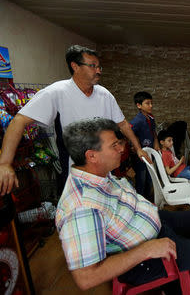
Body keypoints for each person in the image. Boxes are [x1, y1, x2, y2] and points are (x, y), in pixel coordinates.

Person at [56, 118, 190, 293]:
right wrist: (145, 250)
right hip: (141, 259)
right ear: (92, 156)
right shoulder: (80, 207)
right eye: (115, 145)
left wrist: (146, 209)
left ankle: (179, 265)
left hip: (148, 224)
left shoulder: (98, 173)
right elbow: (86, 278)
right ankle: (176, 288)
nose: (122, 149)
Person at [0, 45, 150, 196]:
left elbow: (122, 123)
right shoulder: (57, 92)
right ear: (75, 66)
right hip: (75, 173)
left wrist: (138, 149)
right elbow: (18, 121)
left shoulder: (104, 94)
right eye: (92, 66)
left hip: (104, 170)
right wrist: (5, 163)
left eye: (99, 67)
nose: (98, 71)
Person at [158, 130, 190, 217]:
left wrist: (181, 162)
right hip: (179, 172)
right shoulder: (165, 154)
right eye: (169, 140)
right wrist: (180, 162)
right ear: (162, 142)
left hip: (184, 168)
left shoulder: (168, 150)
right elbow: (169, 171)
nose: (172, 142)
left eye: (172, 140)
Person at [130, 91, 159, 201]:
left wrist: (156, 141)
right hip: (141, 157)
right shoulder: (137, 121)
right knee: (141, 180)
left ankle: (148, 200)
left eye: (151, 103)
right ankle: (140, 201)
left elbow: (153, 131)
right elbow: (128, 133)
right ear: (139, 105)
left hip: (150, 153)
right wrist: (135, 146)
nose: (151, 106)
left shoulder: (151, 118)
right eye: (147, 103)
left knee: (150, 178)